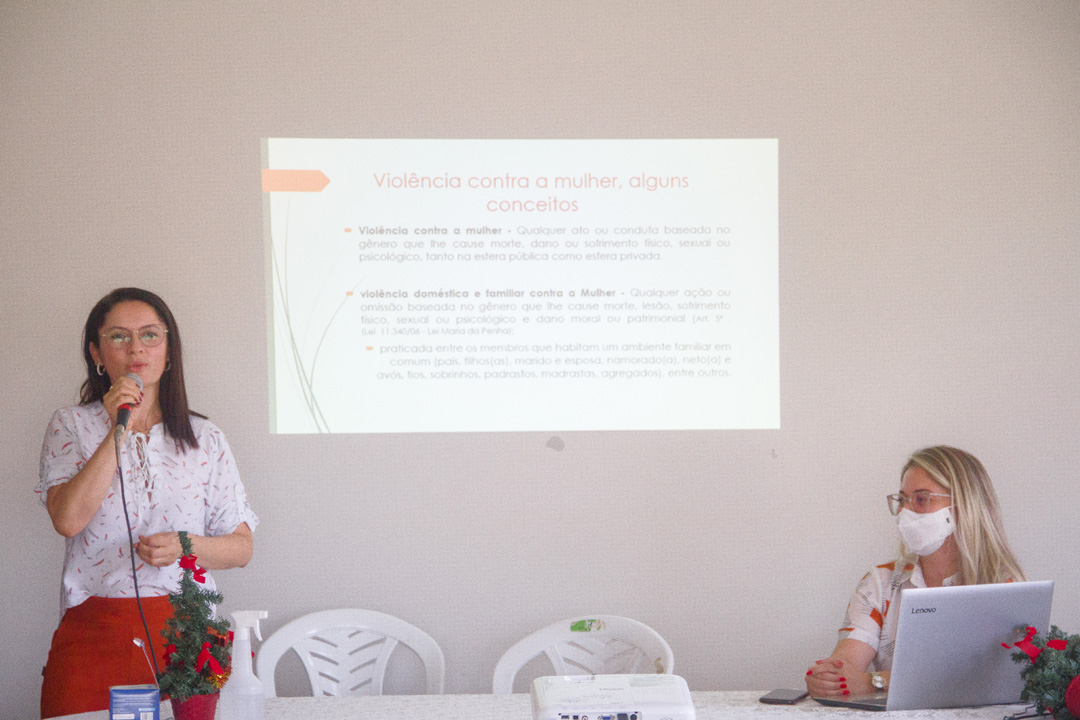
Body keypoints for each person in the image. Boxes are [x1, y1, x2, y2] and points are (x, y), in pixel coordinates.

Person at [36, 287, 258, 718]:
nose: (136, 348)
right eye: (119, 336)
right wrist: (116, 429)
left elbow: (241, 548)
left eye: (150, 335)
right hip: (93, 633)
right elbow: (67, 520)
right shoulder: (71, 424)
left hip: (187, 639)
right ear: (97, 353)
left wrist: (185, 545)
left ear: (169, 350)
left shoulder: (205, 437)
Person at [805, 446, 1024, 699]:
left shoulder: (1003, 585)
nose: (905, 512)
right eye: (902, 500)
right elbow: (846, 666)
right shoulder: (880, 583)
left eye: (921, 499)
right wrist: (829, 679)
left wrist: (875, 682)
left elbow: (990, 677)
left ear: (965, 505)